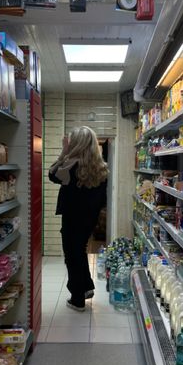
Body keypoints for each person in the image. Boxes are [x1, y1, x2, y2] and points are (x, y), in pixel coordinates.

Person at [48, 126, 108, 311]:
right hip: (89, 219)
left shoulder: (70, 165)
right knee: (79, 251)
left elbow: (52, 174)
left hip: (72, 219)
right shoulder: (101, 168)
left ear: (76, 144)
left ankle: (77, 299)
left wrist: (63, 152)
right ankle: (87, 287)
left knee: (71, 256)